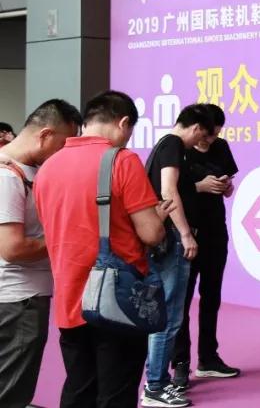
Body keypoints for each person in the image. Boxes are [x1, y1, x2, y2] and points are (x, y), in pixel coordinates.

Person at [35, 91, 176, 408]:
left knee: (78, 390)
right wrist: (157, 216)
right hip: (118, 301)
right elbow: (151, 234)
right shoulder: (122, 160)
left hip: (70, 300)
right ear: (123, 123)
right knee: (116, 395)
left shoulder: (49, 166)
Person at [0, 99, 82, 406]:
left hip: (22, 298)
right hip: (18, 300)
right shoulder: (7, 177)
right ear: (45, 134)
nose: (63, 153)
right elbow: (13, 248)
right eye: (62, 143)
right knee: (12, 391)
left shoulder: (26, 171)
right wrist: (63, 235)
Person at [143, 104, 214, 408]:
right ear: (196, 128)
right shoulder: (173, 145)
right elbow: (168, 191)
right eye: (204, 135)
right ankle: (155, 386)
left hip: (166, 238)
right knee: (170, 315)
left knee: (167, 313)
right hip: (172, 240)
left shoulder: (165, 145)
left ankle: (156, 381)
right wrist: (185, 233)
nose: (203, 142)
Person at [171, 104, 240, 388]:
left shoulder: (221, 147)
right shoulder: (178, 149)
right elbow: (168, 189)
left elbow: (229, 184)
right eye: (208, 134)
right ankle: (180, 363)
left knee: (212, 297)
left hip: (215, 231)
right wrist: (199, 186)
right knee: (182, 301)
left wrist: (224, 187)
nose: (210, 140)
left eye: (215, 135)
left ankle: (208, 358)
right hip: (188, 232)